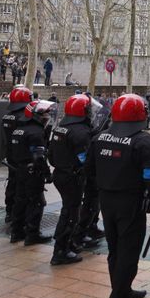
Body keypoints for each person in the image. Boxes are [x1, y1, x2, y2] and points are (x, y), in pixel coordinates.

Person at [82, 94, 150, 298]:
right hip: (131, 204)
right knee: (128, 254)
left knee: (115, 250)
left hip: (107, 202)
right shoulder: (143, 141)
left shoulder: (99, 138)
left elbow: (89, 170)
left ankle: (123, 290)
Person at [47, 95, 97, 266]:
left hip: (60, 174)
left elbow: (51, 157)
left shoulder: (60, 127)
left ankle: (67, 244)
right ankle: (61, 250)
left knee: (68, 211)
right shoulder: (81, 132)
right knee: (70, 214)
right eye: (87, 109)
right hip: (72, 177)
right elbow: (86, 160)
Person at [7, 100, 56, 246]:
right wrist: (47, 174)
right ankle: (32, 234)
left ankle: (16, 232)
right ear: (36, 116)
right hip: (32, 171)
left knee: (20, 200)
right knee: (36, 202)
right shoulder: (36, 132)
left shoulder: (18, 130)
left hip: (19, 170)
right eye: (45, 114)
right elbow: (39, 157)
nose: (47, 116)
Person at [2, 86, 33, 225]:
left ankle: (9, 211)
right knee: (22, 185)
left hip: (11, 153)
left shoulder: (7, 116)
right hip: (23, 155)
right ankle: (19, 213)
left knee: (12, 181)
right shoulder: (23, 117)